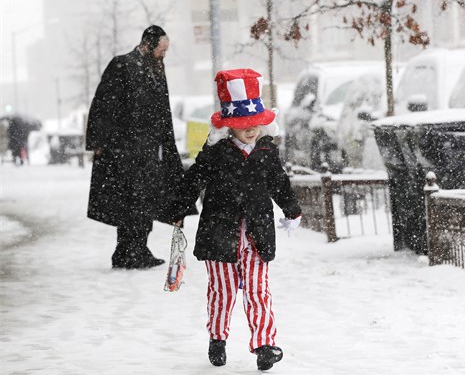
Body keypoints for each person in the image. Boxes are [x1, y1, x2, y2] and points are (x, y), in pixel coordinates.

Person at [171, 68, 302, 371]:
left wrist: (292, 210)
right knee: (223, 291)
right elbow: (194, 179)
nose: (251, 129)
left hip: (256, 234)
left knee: (258, 291)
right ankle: (217, 338)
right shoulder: (216, 153)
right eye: (244, 125)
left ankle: (265, 345)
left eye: (255, 123)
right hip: (220, 233)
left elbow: (279, 184)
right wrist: (178, 209)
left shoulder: (267, 152)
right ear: (230, 126)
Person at [85, 25, 197, 270]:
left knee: (145, 200)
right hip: (124, 148)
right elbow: (103, 103)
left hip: (149, 149)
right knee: (132, 202)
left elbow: (162, 109)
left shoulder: (157, 67)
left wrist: (166, 143)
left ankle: (134, 250)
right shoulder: (122, 65)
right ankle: (129, 252)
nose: (164, 54)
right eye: (162, 49)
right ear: (147, 45)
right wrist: (99, 143)